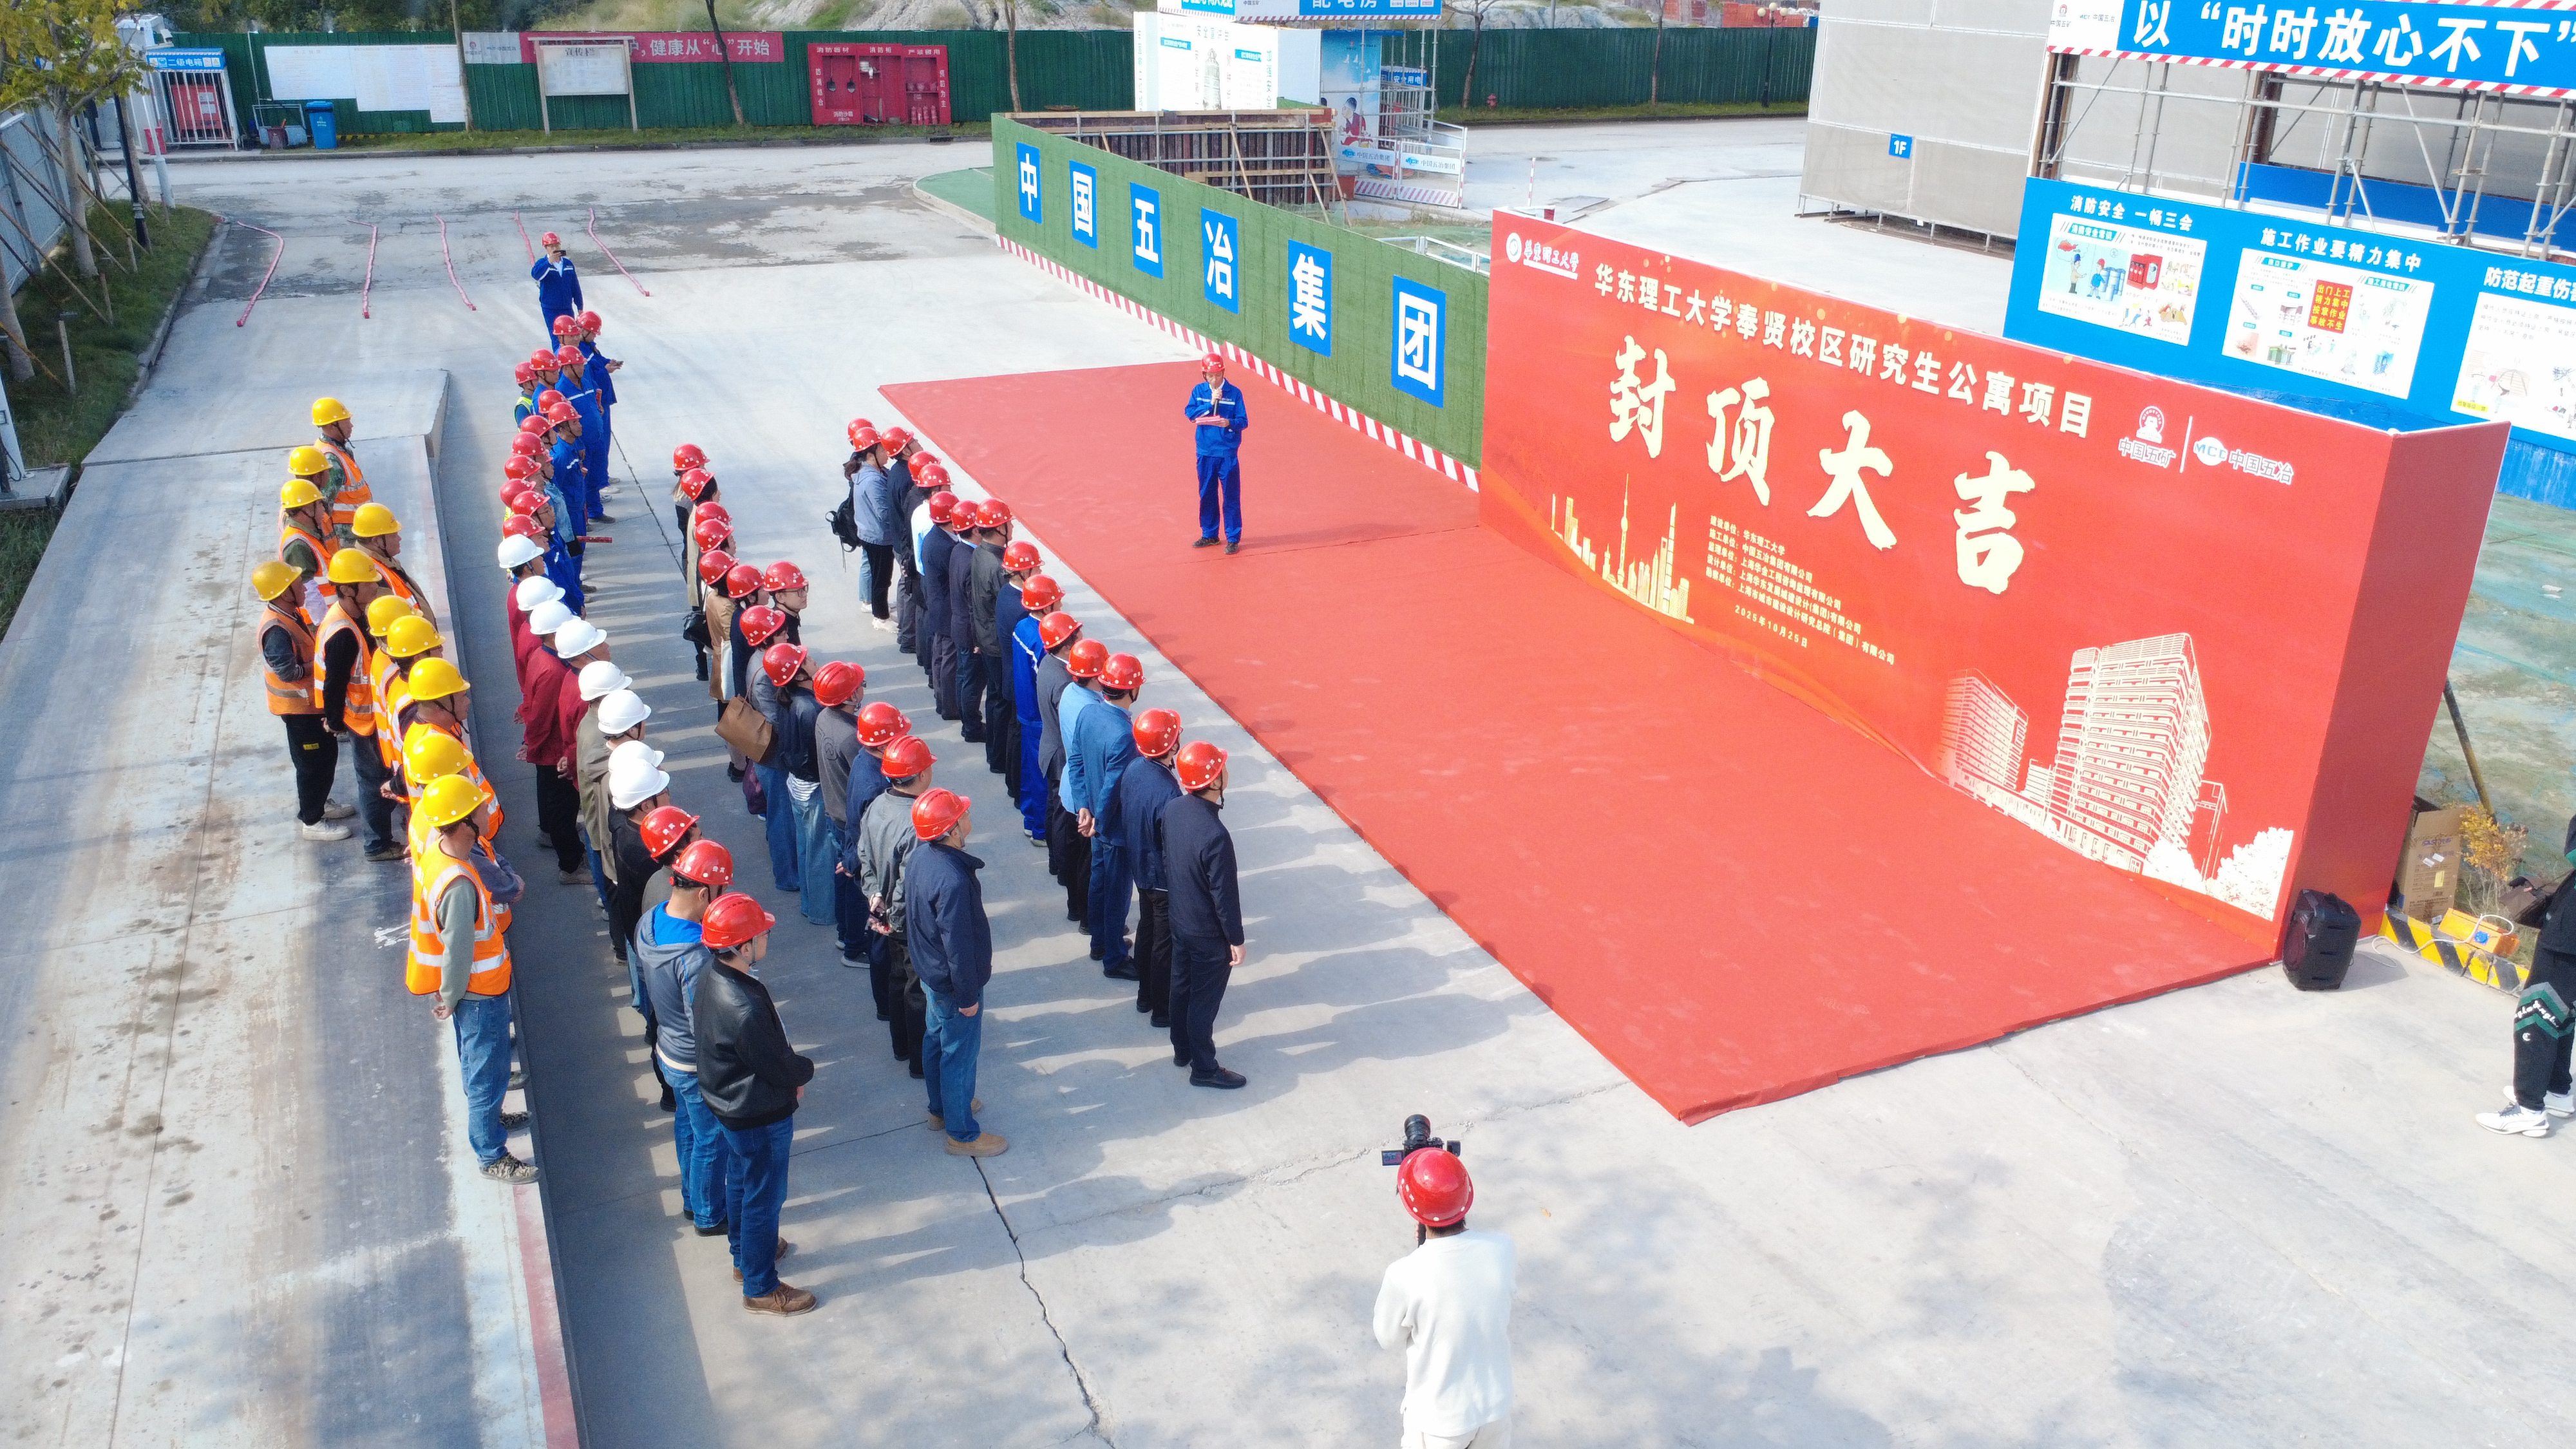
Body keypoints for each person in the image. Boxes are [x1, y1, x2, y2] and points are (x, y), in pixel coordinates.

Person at [692, 893, 819, 1316]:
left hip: (731, 1107)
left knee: (742, 1183)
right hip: (758, 1114)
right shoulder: (743, 1006)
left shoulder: (712, 976)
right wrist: (804, 1072)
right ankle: (761, 1286)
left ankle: (744, 1255)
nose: (767, 937)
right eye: (761, 933)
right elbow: (778, 1064)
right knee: (764, 1197)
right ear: (744, 947)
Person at [409, 775, 537, 1183]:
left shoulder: (442, 856)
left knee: (476, 1064)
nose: (488, 811)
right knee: (487, 1075)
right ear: (465, 824)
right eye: (480, 809)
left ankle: (490, 1119)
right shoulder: (459, 885)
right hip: (480, 994)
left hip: (472, 992)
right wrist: (450, 996)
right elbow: (459, 950)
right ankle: (490, 1153)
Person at [1372, 1150, 1514, 1449]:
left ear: (1413, 1211)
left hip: (1440, 1422)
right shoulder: (1503, 1249)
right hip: (1495, 1409)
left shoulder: (1404, 1274)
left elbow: (1387, 1338)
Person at [636, 837, 732, 1238]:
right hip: (695, 1062)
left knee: (687, 1125)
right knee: (712, 1138)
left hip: (669, 1050)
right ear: (705, 893)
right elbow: (703, 1023)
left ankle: (692, 1198)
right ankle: (708, 1213)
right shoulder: (695, 954)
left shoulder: (650, 922)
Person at [905, 788, 1005, 1157]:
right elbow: (960, 947)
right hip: (953, 984)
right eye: (962, 814)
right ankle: (962, 1134)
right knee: (960, 1055)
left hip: (931, 975)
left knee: (936, 1039)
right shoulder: (954, 881)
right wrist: (967, 996)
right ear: (952, 830)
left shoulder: (921, 858)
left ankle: (941, 1108)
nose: (968, 816)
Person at [2479, 814, 2576, 1137]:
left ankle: (2529, 1108)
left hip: (2568, 938)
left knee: (2537, 1014)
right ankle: (2556, 1089)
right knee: (2563, 1013)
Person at [1161, 740, 1245, 1088]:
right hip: (1208, 934)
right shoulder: (1216, 835)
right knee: (1204, 1002)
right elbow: (1224, 896)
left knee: (1181, 986)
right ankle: (1204, 1068)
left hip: (1180, 919)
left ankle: (1182, 1050)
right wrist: (1235, 939)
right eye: (1222, 767)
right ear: (1214, 781)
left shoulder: (1174, 810)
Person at [254, 561, 350, 840]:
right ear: (285, 592)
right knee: (312, 766)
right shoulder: (276, 630)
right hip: (299, 711)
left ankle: (320, 803)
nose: (304, 589)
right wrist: (321, 664)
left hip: (309, 706)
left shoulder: (289, 614)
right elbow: (288, 672)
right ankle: (312, 820)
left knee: (326, 758)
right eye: (298, 585)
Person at [317, 548, 402, 862]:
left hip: (368, 717)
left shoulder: (353, 616)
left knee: (375, 778)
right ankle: (378, 844)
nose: (373, 586)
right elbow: (334, 683)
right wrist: (335, 721)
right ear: (347, 589)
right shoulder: (343, 633)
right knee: (372, 782)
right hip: (363, 721)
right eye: (367, 583)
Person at [858, 734, 936, 1073]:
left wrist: (874, 896)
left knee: (895, 979)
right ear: (921, 774)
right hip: (906, 921)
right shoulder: (916, 822)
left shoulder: (878, 804)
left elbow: (864, 853)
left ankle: (900, 1047)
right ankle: (919, 1062)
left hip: (883, 912)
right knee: (916, 990)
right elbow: (908, 883)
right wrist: (898, 923)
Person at [1070, 652, 1145, 978]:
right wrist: (1098, 821)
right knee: (1117, 895)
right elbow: (1113, 788)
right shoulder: (1125, 734)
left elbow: (1076, 761)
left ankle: (1100, 942)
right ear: (1133, 690)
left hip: (1095, 822)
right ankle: (1114, 958)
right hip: (1112, 828)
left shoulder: (1089, 713)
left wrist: (1083, 808)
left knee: (1099, 884)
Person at [1121, 708, 1184, 1025]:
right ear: (1170, 746)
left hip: (1140, 867)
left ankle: (1144, 996)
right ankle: (1162, 1009)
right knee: (1164, 943)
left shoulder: (1134, 768)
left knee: (1146, 929)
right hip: (1161, 876)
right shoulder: (1169, 790)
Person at [766, 643, 835, 928]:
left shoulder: (790, 699)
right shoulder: (809, 708)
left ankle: (810, 903)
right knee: (821, 852)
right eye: (805, 660)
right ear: (798, 674)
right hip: (814, 787)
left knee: (806, 846)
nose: (813, 660)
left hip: (798, 783)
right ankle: (822, 911)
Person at [813, 661, 870, 960]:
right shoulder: (851, 738)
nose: (862, 690)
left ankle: (845, 934)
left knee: (843, 877)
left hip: (834, 811)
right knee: (858, 884)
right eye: (859, 686)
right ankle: (855, 947)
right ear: (849, 696)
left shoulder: (824, 716)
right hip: (851, 822)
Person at [1054, 637, 1109, 929]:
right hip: (1087, 796)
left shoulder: (1071, 693)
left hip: (1071, 790)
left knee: (1076, 859)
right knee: (1091, 865)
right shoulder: (1092, 711)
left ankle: (1076, 909)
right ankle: (1091, 921)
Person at [1010, 578, 1065, 846]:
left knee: (1030, 769)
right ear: (1046, 607)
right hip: (1040, 717)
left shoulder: (1022, 627)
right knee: (1043, 775)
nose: (1061, 605)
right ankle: (1041, 830)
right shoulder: (1043, 641)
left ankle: (1031, 820)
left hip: (1026, 709)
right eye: (1057, 601)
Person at [1184, 353, 1249, 553]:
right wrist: (1209, 404)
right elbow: (1189, 413)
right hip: (1205, 452)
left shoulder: (1234, 393)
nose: (1215, 379)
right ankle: (1210, 534)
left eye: (1218, 375)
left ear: (1223, 373)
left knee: (1231, 496)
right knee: (1207, 493)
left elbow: (1243, 421)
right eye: (1211, 376)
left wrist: (1229, 422)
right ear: (1204, 375)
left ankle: (1233, 538)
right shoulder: (1199, 391)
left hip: (1227, 453)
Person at [964, 500, 1014, 761]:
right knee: (1003, 701)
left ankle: (994, 753)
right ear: (999, 528)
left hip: (985, 636)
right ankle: (1000, 755)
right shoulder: (997, 566)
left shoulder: (980, 553)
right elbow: (1006, 606)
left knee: (995, 697)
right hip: (997, 642)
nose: (1012, 527)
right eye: (1008, 523)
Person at [846, 423, 900, 631]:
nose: (887, 454)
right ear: (871, 454)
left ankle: (880, 608)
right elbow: (884, 513)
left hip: (871, 533)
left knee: (879, 576)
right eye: (882, 450)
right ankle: (881, 617)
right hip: (879, 537)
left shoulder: (869, 472)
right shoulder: (873, 481)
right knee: (881, 579)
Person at [945, 499, 990, 742]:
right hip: (970, 633)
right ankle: (972, 727)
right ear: (974, 530)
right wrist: (978, 640)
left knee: (965, 678)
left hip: (960, 626)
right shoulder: (972, 561)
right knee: (972, 683)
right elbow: (975, 607)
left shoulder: (959, 550)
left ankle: (968, 722)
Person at [351, 502, 437, 631]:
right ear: (377, 541)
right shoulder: (371, 576)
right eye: (393, 535)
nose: (399, 539)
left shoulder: (386, 562)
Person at [918, 492, 963, 719]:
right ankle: (949, 706)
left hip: (937, 606)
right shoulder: (945, 547)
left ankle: (941, 699)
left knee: (940, 656)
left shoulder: (935, 538)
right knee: (949, 660)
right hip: (947, 611)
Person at [310, 397, 374, 544]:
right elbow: (323, 508)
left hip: (356, 531)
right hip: (347, 538)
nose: (351, 426)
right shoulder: (332, 461)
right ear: (333, 425)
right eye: (346, 421)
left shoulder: (334, 449)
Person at [276, 471, 336, 621]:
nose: (323, 509)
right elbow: (309, 593)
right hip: (318, 621)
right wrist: (324, 624)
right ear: (308, 509)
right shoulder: (298, 545)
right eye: (319, 504)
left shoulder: (307, 534)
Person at [532, 231, 582, 339]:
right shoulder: (542, 263)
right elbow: (536, 275)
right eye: (551, 246)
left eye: (557, 245)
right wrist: (549, 262)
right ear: (546, 248)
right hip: (550, 309)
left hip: (567, 307)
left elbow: (575, 286)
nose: (555, 248)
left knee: (571, 336)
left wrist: (580, 306)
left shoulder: (568, 264)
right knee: (557, 338)